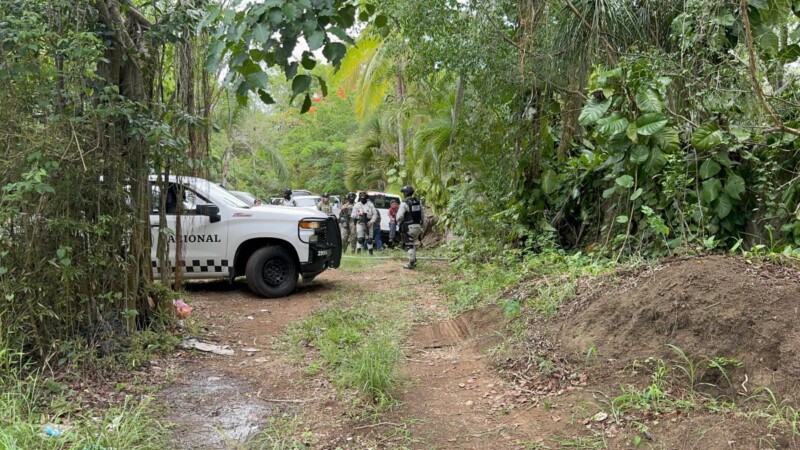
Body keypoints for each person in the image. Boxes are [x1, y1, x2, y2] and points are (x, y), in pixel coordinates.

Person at [396, 185, 423, 269]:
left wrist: (399, 223)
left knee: (409, 244)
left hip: (409, 227)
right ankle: (413, 259)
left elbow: (399, 216)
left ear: (405, 193)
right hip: (418, 226)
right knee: (413, 243)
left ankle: (411, 262)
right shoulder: (418, 202)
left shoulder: (404, 203)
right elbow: (422, 215)